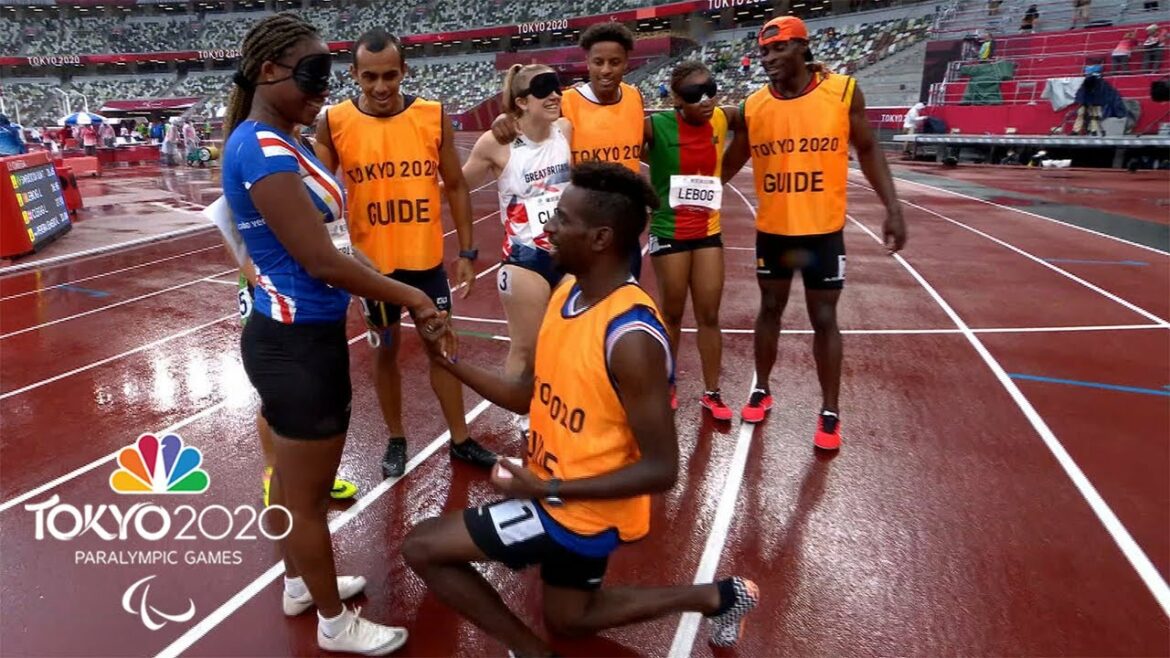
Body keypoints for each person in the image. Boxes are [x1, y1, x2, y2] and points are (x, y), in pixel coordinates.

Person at [402, 161, 758, 657]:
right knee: (571, 620)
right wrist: (448, 359)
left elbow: (662, 470)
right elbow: (527, 394)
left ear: (600, 238)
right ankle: (717, 597)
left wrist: (547, 487)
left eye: (563, 219)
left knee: (423, 547)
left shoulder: (631, 337)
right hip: (556, 492)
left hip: (578, 509)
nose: (548, 226)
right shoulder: (567, 291)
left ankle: (531, 652)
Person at [221, 12, 448, 654]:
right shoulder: (261, 146)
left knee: (301, 490)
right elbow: (320, 262)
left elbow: (330, 246)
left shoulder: (280, 139)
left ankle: (300, 583)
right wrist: (411, 295)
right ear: (269, 71)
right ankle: (332, 623)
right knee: (308, 498)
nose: (325, 87)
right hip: (294, 345)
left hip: (302, 336)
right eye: (314, 74)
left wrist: (377, 273)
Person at [315, 28, 496, 478]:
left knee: (442, 351)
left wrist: (468, 251)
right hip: (371, 271)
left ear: (404, 71)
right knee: (385, 352)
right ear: (354, 74)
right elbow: (317, 192)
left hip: (425, 264)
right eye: (370, 77)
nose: (380, 87)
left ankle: (460, 439)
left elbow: (455, 184)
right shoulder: (334, 121)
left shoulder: (431, 116)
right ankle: (396, 438)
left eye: (390, 76)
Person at [721, 16, 907, 448]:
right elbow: (728, 165)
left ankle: (829, 411)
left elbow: (868, 148)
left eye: (778, 49)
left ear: (803, 48)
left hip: (822, 231)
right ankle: (762, 388)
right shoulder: (754, 106)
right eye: (764, 52)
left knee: (824, 318)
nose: (768, 59)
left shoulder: (841, 92)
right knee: (769, 310)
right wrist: (689, 196)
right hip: (775, 232)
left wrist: (893, 208)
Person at [492, 22, 646, 279]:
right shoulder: (566, 102)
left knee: (621, 306)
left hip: (625, 225)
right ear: (587, 62)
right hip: (585, 230)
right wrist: (504, 119)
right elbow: (529, 117)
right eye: (598, 62)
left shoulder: (634, 97)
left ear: (626, 63)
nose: (606, 70)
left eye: (614, 62)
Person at [460, 63, 572, 381]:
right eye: (542, 90)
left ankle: (557, 410)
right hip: (526, 259)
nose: (554, 95)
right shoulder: (496, 143)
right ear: (522, 101)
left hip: (569, 254)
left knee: (569, 341)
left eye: (556, 87)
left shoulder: (565, 129)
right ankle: (523, 419)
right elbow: (456, 188)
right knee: (527, 348)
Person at [642, 60, 735, 419]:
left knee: (709, 314)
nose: (706, 99)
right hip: (669, 231)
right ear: (677, 100)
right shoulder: (655, 125)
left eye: (710, 88)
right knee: (673, 313)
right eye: (695, 94)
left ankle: (713, 393)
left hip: (708, 232)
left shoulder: (724, 118)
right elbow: (615, 143)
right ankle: (666, 383)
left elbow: (761, 112)